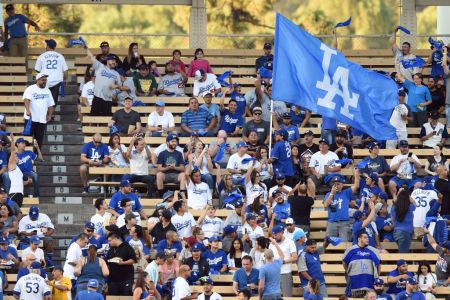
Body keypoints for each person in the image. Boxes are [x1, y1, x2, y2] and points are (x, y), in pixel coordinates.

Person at [323, 170, 360, 242]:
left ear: (342, 185)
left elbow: (356, 186)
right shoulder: (328, 194)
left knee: (344, 243)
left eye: (338, 184)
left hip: (344, 223)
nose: (336, 185)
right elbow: (325, 205)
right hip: (332, 222)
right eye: (334, 184)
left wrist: (356, 174)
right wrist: (332, 194)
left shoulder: (346, 192)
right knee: (329, 243)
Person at [85, 44, 120, 116]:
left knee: (106, 119)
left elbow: (119, 86)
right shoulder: (100, 66)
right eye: (112, 60)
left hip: (108, 99)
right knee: (93, 118)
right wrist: (86, 47)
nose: (114, 62)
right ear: (108, 60)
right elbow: (91, 56)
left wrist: (115, 93)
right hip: (97, 97)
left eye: (115, 61)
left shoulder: (116, 74)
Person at [23, 72, 55, 151]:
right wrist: (28, 110)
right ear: (37, 80)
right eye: (43, 80)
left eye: (45, 80)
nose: (44, 81)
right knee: (28, 137)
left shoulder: (47, 90)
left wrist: (50, 115)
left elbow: (50, 105)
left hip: (42, 120)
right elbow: (26, 99)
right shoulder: (30, 88)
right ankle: (27, 153)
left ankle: (36, 155)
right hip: (31, 118)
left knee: (39, 139)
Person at [343, 231, 381, 298]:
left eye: (367, 237)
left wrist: (377, 276)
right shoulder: (351, 250)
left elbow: (378, 265)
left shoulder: (373, 250)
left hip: (369, 283)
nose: (367, 239)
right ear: (359, 239)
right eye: (365, 237)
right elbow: (344, 263)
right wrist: (348, 272)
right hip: (355, 283)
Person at [35, 39, 68, 106]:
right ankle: (51, 116)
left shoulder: (42, 56)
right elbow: (65, 70)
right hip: (57, 80)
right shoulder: (60, 56)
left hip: (45, 80)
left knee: (44, 99)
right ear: (54, 47)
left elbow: (37, 69)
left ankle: (46, 115)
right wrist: (65, 79)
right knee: (53, 100)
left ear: (48, 46)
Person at [268, 225, 297, 297]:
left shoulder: (290, 242)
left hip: (285, 273)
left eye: (276, 235)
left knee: (287, 296)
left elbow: (294, 257)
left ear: (281, 232)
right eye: (273, 235)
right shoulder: (272, 244)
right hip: (274, 274)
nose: (274, 237)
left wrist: (282, 262)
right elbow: (269, 258)